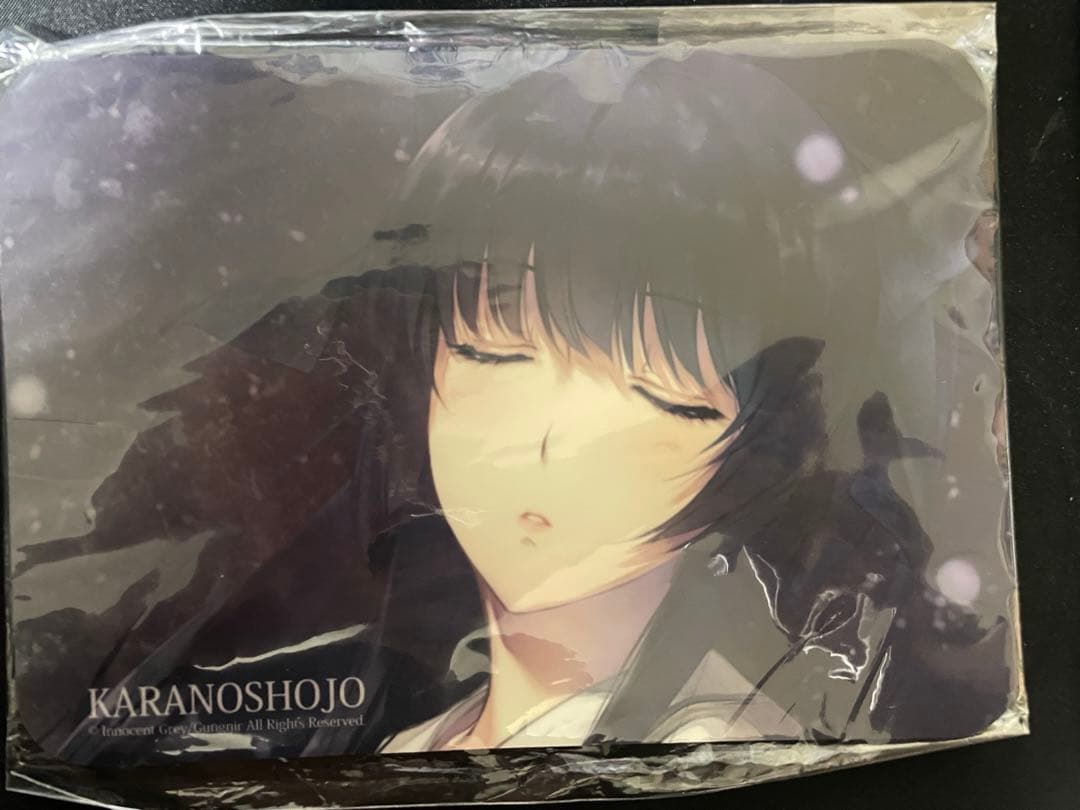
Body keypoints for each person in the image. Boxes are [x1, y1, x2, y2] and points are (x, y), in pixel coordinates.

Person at [33, 48, 1011, 765]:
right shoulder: (389, 722)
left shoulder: (723, 746)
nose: (540, 447)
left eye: (658, 394)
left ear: (765, 432)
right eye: (491, 350)